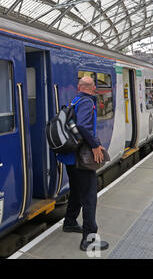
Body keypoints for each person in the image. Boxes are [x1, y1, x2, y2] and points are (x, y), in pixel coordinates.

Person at [57, 76, 109, 252]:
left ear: (79, 87)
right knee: (89, 197)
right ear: (93, 87)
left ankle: (70, 222)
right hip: (82, 158)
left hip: (70, 157)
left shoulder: (75, 100)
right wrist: (95, 145)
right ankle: (89, 239)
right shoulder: (87, 101)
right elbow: (83, 126)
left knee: (77, 191)